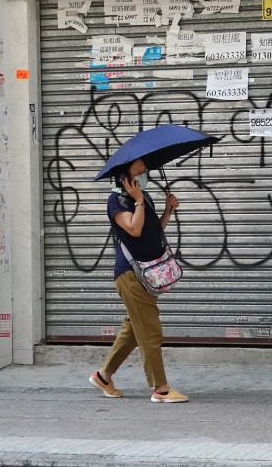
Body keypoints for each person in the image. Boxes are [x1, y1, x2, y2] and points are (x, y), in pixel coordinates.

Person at [88, 157, 188, 403]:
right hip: (131, 275)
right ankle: (160, 389)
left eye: (145, 169)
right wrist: (139, 201)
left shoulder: (145, 197)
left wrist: (167, 211)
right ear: (125, 175)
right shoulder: (117, 201)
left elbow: (152, 233)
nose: (145, 173)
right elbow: (133, 228)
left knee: (133, 329)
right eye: (140, 170)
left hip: (146, 273)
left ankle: (103, 376)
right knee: (150, 332)